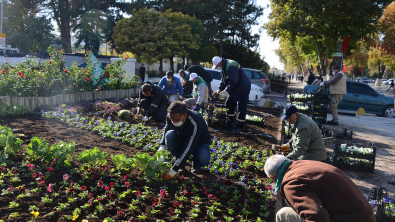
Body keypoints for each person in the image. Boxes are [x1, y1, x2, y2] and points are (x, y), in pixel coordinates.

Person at [264, 155, 376, 222]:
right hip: (365, 216)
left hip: (350, 219)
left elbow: (318, 216)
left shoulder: (290, 183)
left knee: (283, 214)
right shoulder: (304, 164)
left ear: (272, 177)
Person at [160, 101, 211, 180]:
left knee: (203, 159)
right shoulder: (170, 116)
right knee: (169, 135)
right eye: (172, 119)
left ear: (185, 115)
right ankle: (180, 162)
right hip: (182, 138)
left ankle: (196, 163)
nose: (173, 122)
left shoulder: (196, 121)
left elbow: (190, 145)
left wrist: (174, 169)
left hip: (198, 142)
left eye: (177, 120)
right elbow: (167, 129)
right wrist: (162, 146)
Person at [212, 56, 251, 132]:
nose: (217, 67)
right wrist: (219, 89)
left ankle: (240, 126)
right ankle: (231, 121)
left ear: (220, 62)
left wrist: (227, 90)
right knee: (229, 103)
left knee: (241, 106)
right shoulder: (223, 68)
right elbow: (223, 81)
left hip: (243, 87)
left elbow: (234, 80)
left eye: (217, 65)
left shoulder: (231, 65)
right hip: (236, 87)